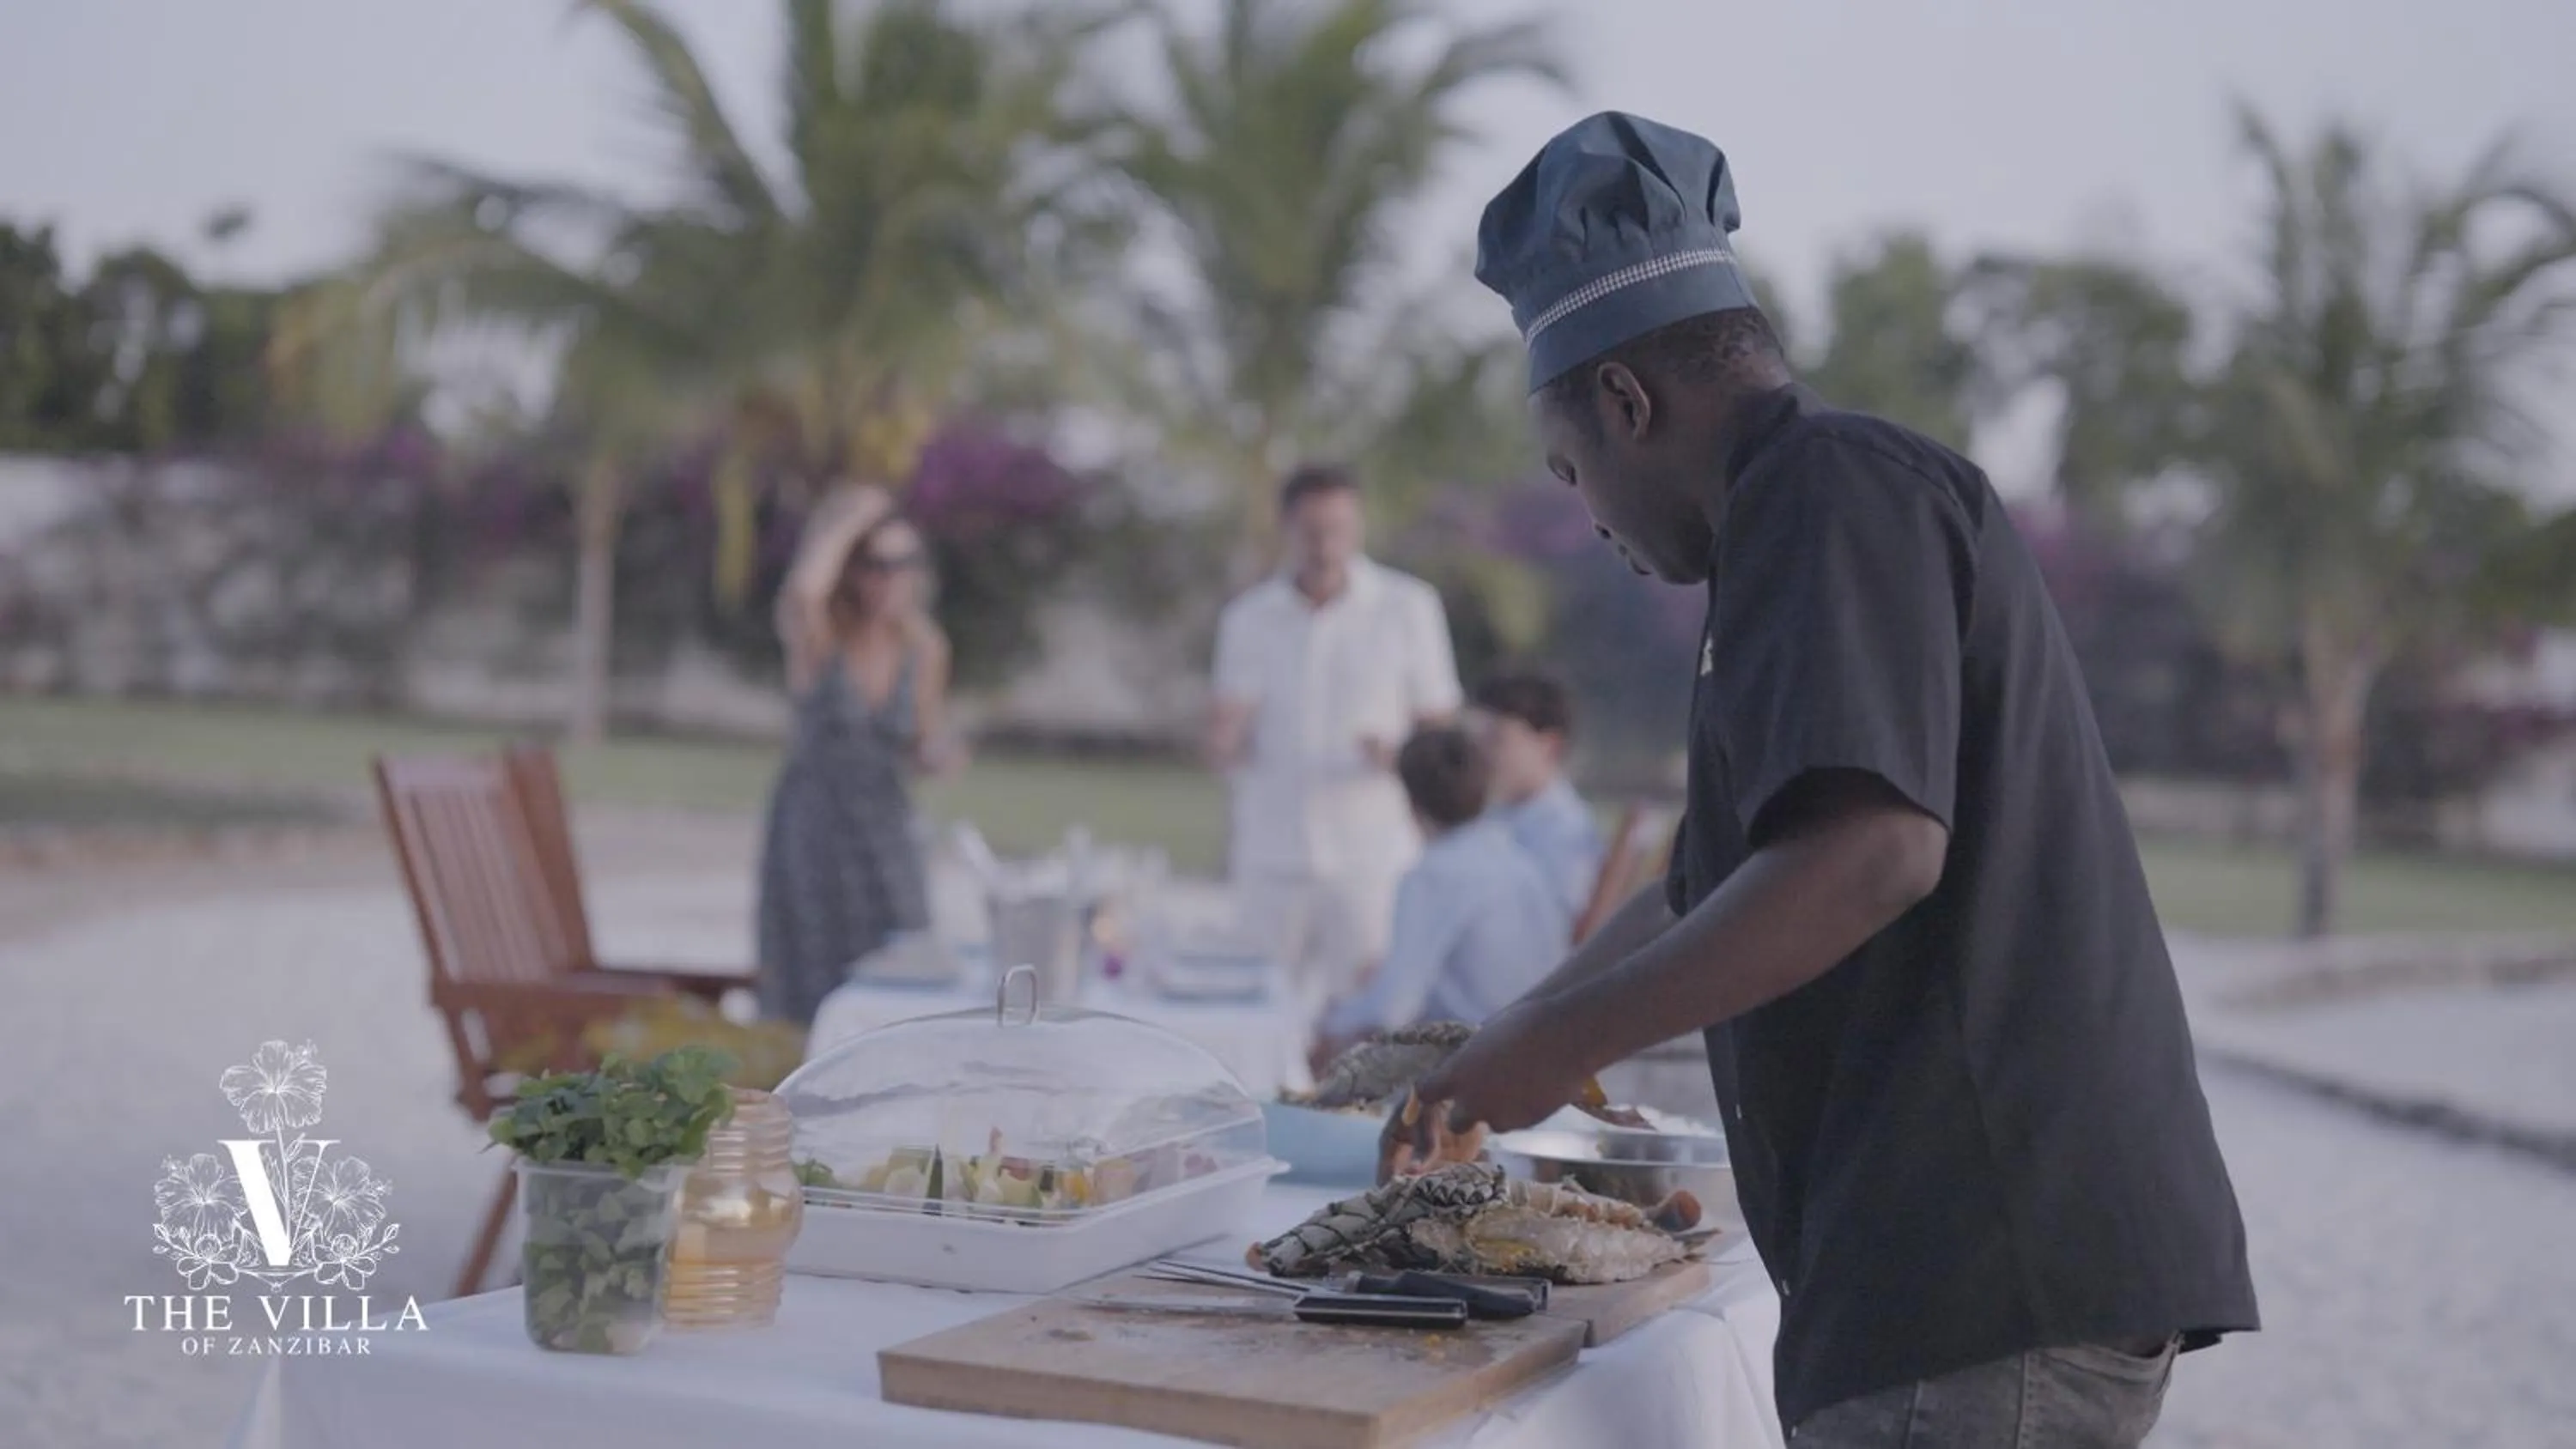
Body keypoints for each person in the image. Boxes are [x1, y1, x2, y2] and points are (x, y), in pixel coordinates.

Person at [1408, 112, 2258, 1446]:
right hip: (1967, 1289)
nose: (1595, 524)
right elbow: (1705, 885)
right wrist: (1494, 1047)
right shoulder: (1785, 542)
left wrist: (1563, 1047)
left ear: (1627, 402)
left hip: (1988, 1286)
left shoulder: (1828, 492)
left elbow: (1872, 855)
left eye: (1576, 476)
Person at [1207, 464, 1465, 1014]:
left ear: (1359, 525)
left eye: (1339, 528)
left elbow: (1441, 733)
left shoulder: (1407, 607)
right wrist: (1226, 736)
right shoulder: (1248, 618)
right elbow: (1223, 744)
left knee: (1369, 1019)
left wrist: (1397, 757)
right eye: (1312, 529)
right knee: (1256, 1011)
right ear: (1288, 527)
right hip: (1271, 853)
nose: (1326, 544)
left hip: (1370, 857)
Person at [755, 490, 965, 1026]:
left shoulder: (926, 648)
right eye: (877, 565)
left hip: (886, 827)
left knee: (908, 963)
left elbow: (921, 738)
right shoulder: (822, 638)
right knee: (812, 974)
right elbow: (804, 592)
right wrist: (852, 517)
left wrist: (937, 755)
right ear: (850, 570)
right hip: (814, 828)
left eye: (906, 564)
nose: (894, 578)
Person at [1311, 725, 1570, 1063]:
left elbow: (1391, 1009)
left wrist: (1330, 1021)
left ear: (1410, 800)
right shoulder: (1519, 860)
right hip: (1538, 1049)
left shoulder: (1434, 874)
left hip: (1473, 1062)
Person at [1468, 670, 1603, 920]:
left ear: (1550, 746)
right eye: (1476, 740)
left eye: (1496, 739)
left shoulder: (1565, 835)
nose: (1481, 755)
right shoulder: (1491, 817)